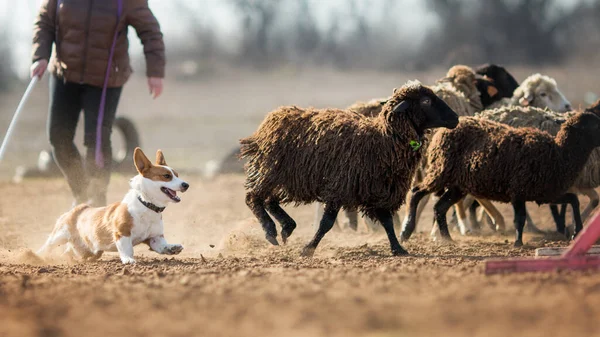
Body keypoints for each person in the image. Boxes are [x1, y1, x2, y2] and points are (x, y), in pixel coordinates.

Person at [30, 0, 165, 207]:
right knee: (59, 137)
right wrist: (40, 56)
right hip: (64, 73)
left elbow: (150, 31)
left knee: (97, 140)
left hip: (106, 80)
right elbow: (45, 22)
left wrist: (155, 71)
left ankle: (97, 198)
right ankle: (82, 192)